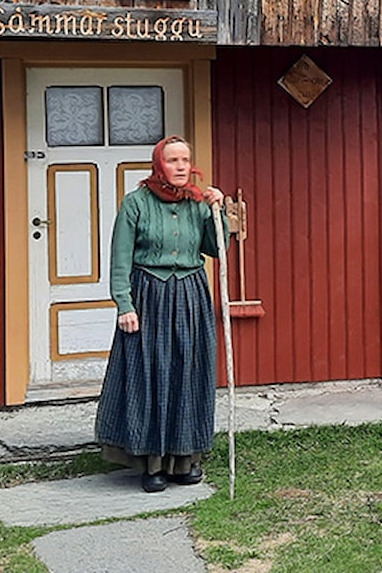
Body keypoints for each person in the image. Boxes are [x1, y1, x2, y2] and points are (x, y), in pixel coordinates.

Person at [94, 135, 228, 493]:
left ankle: (185, 461)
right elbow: (120, 258)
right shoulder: (136, 203)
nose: (182, 166)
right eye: (173, 160)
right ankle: (152, 464)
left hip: (190, 295)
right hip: (149, 295)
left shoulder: (199, 204)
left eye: (186, 160)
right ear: (159, 165)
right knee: (151, 375)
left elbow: (217, 249)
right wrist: (124, 304)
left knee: (188, 373)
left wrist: (219, 212)